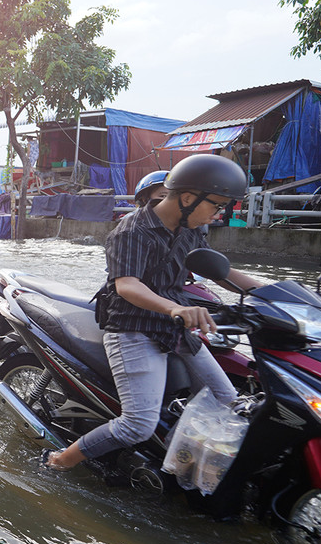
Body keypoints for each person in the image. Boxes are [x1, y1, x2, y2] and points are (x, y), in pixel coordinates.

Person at [45, 154, 264, 471]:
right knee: (137, 425)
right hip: (133, 330)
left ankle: (188, 465)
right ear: (188, 198)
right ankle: (60, 461)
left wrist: (269, 293)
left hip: (174, 328)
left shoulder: (191, 227)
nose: (218, 214)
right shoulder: (131, 231)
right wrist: (175, 307)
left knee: (229, 402)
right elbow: (127, 286)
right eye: (216, 206)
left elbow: (218, 272)